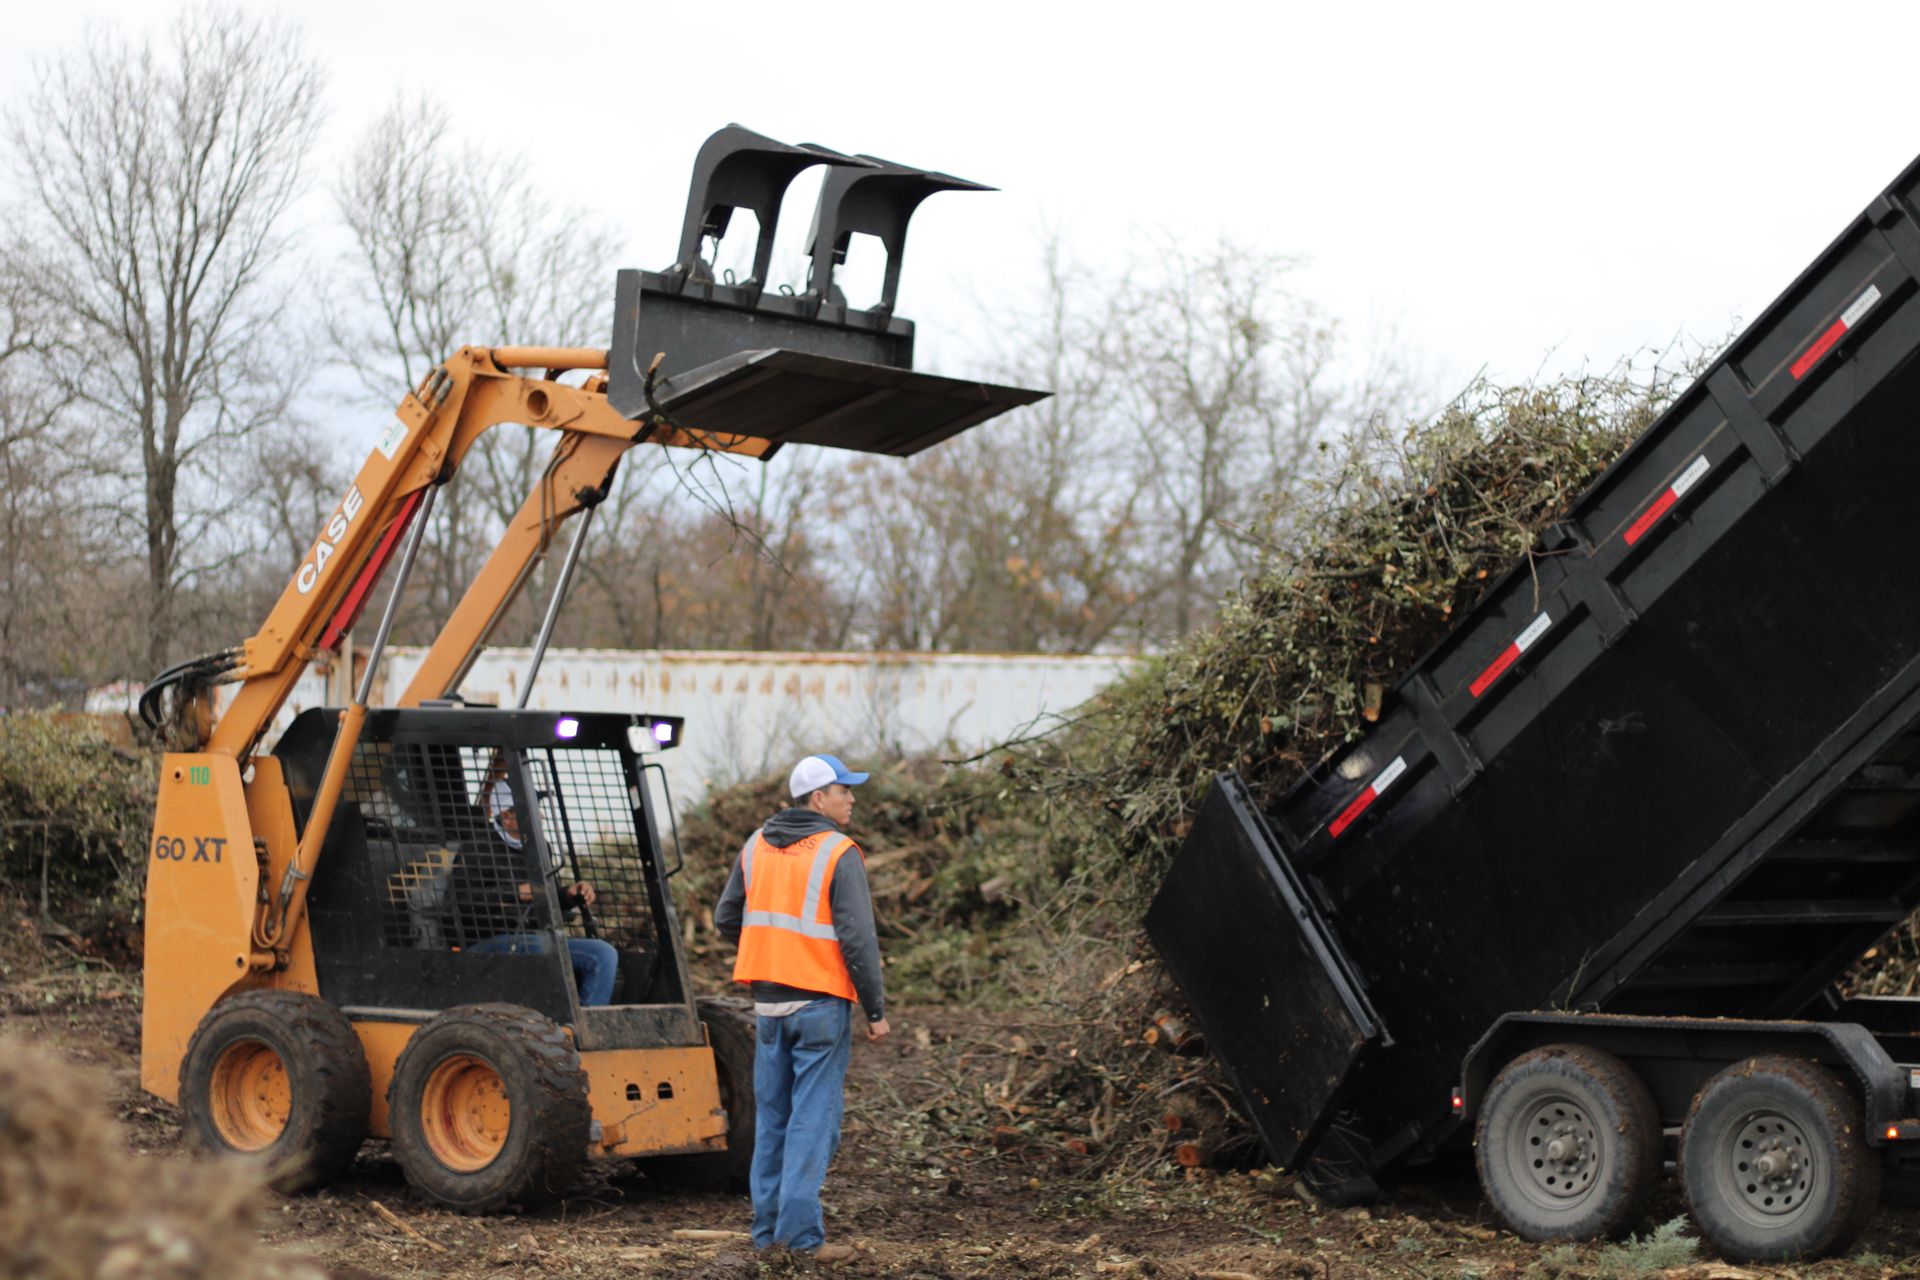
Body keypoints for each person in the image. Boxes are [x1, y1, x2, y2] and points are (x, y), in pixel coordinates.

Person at [715, 753, 890, 1260]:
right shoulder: (838, 851)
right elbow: (858, 939)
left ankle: (767, 1236)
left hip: (768, 1007)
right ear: (819, 798)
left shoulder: (755, 844)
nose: (851, 798)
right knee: (813, 1119)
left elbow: (729, 917)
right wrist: (875, 1011)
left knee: (773, 1120)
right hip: (819, 1004)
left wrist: (772, 955)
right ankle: (800, 1242)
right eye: (844, 790)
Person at [449, 779, 620, 1007]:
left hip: (535, 937)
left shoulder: (540, 849)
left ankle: (587, 1026)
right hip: (486, 941)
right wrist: (514, 894)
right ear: (506, 816)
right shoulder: (476, 847)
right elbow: (461, 901)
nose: (541, 816)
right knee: (540, 947)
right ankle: (547, 1022)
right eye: (530, 810)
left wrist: (568, 895)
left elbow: (545, 895)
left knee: (604, 953)